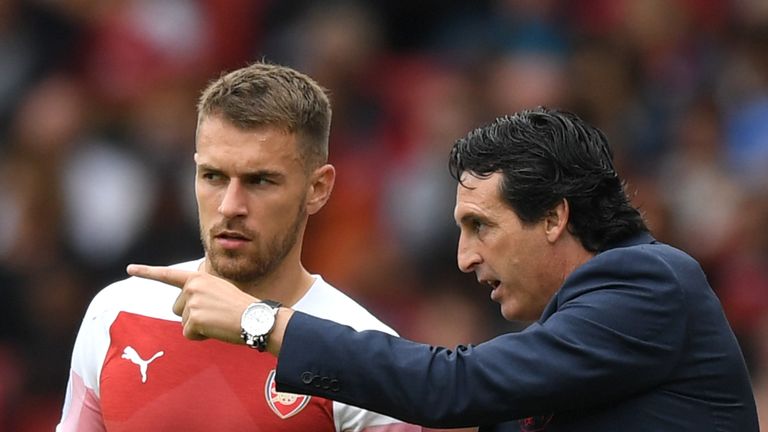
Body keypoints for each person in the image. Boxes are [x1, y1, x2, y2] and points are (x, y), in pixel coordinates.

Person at [127, 108, 760, 431]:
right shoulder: (582, 334)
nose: (464, 257)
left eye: (480, 225)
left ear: (553, 217)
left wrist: (262, 322)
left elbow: (453, 388)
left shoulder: (649, 285)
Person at [57, 62, 421, 431]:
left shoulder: (361, 356)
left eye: (260, 181)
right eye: (213, 176)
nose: (230, 206)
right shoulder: (118, 312)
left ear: (318, 189)